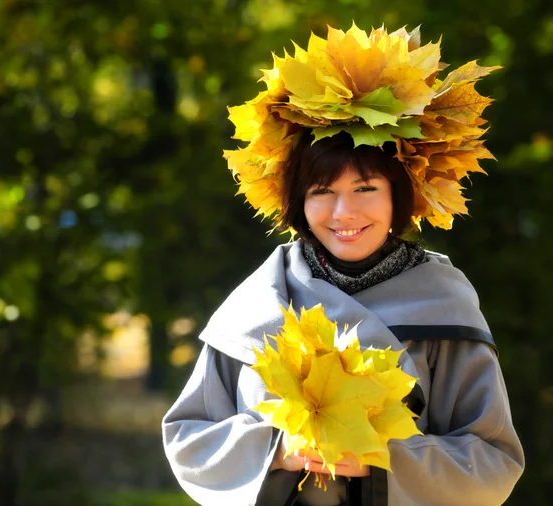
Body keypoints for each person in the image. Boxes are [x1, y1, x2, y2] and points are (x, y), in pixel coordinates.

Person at [162, 22, 524, 506]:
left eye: (366, 189)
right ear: (296, 202)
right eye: (322, 192)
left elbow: (494, 460)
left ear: (401, 195)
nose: (344, 213)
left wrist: (385, 456)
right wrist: (275, 449)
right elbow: (189, 440)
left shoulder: (445, 308)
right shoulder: (255, 308)